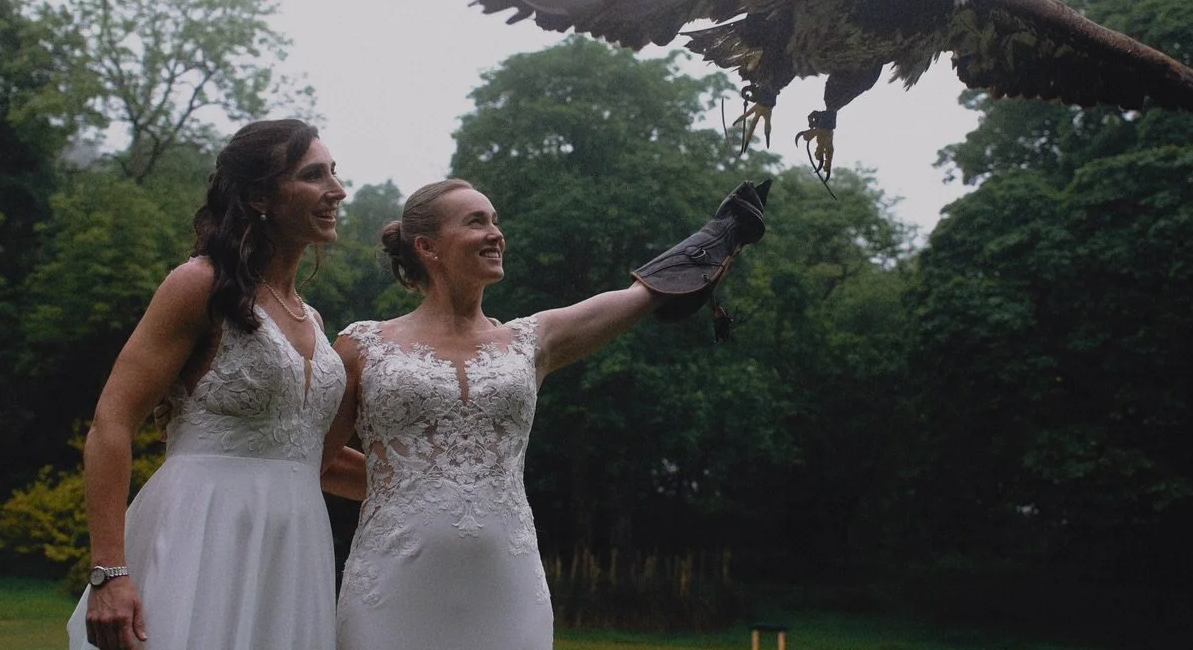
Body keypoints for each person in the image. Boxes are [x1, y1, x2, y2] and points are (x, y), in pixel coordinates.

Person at [333, 177, 770, 650]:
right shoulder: (362, 346)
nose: (496, 233)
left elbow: (639, 296)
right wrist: (405, 490)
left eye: (496, 221)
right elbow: (312, 457)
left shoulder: (530, 342)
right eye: (476, 222)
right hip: (391, 580)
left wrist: (719, 235)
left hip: (508, 581)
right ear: (427, 246)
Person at [68, 118, 366, 650]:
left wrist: (436, 487)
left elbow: (313, 457)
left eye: (334, 174)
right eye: (314, 175)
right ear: (259, 195)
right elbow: (111, 425)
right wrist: (108, 572)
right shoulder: (198, 285)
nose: (336, 191)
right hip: (201, 535)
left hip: (294, 549)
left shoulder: (314, 322)